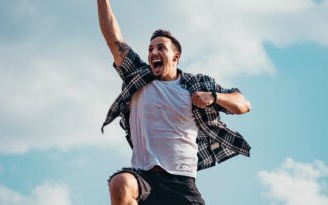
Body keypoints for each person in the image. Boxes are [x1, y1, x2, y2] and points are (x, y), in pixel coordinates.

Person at [97, 0, 251, 204]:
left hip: (182, 183)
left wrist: (214, 97)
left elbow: (243, 104)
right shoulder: (138, 75)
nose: (153, 53)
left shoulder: (196, 85)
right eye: (150, 49)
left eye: (160, 48)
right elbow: (113, 39)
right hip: (144, 178)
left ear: (175, 56)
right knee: (120, 184)